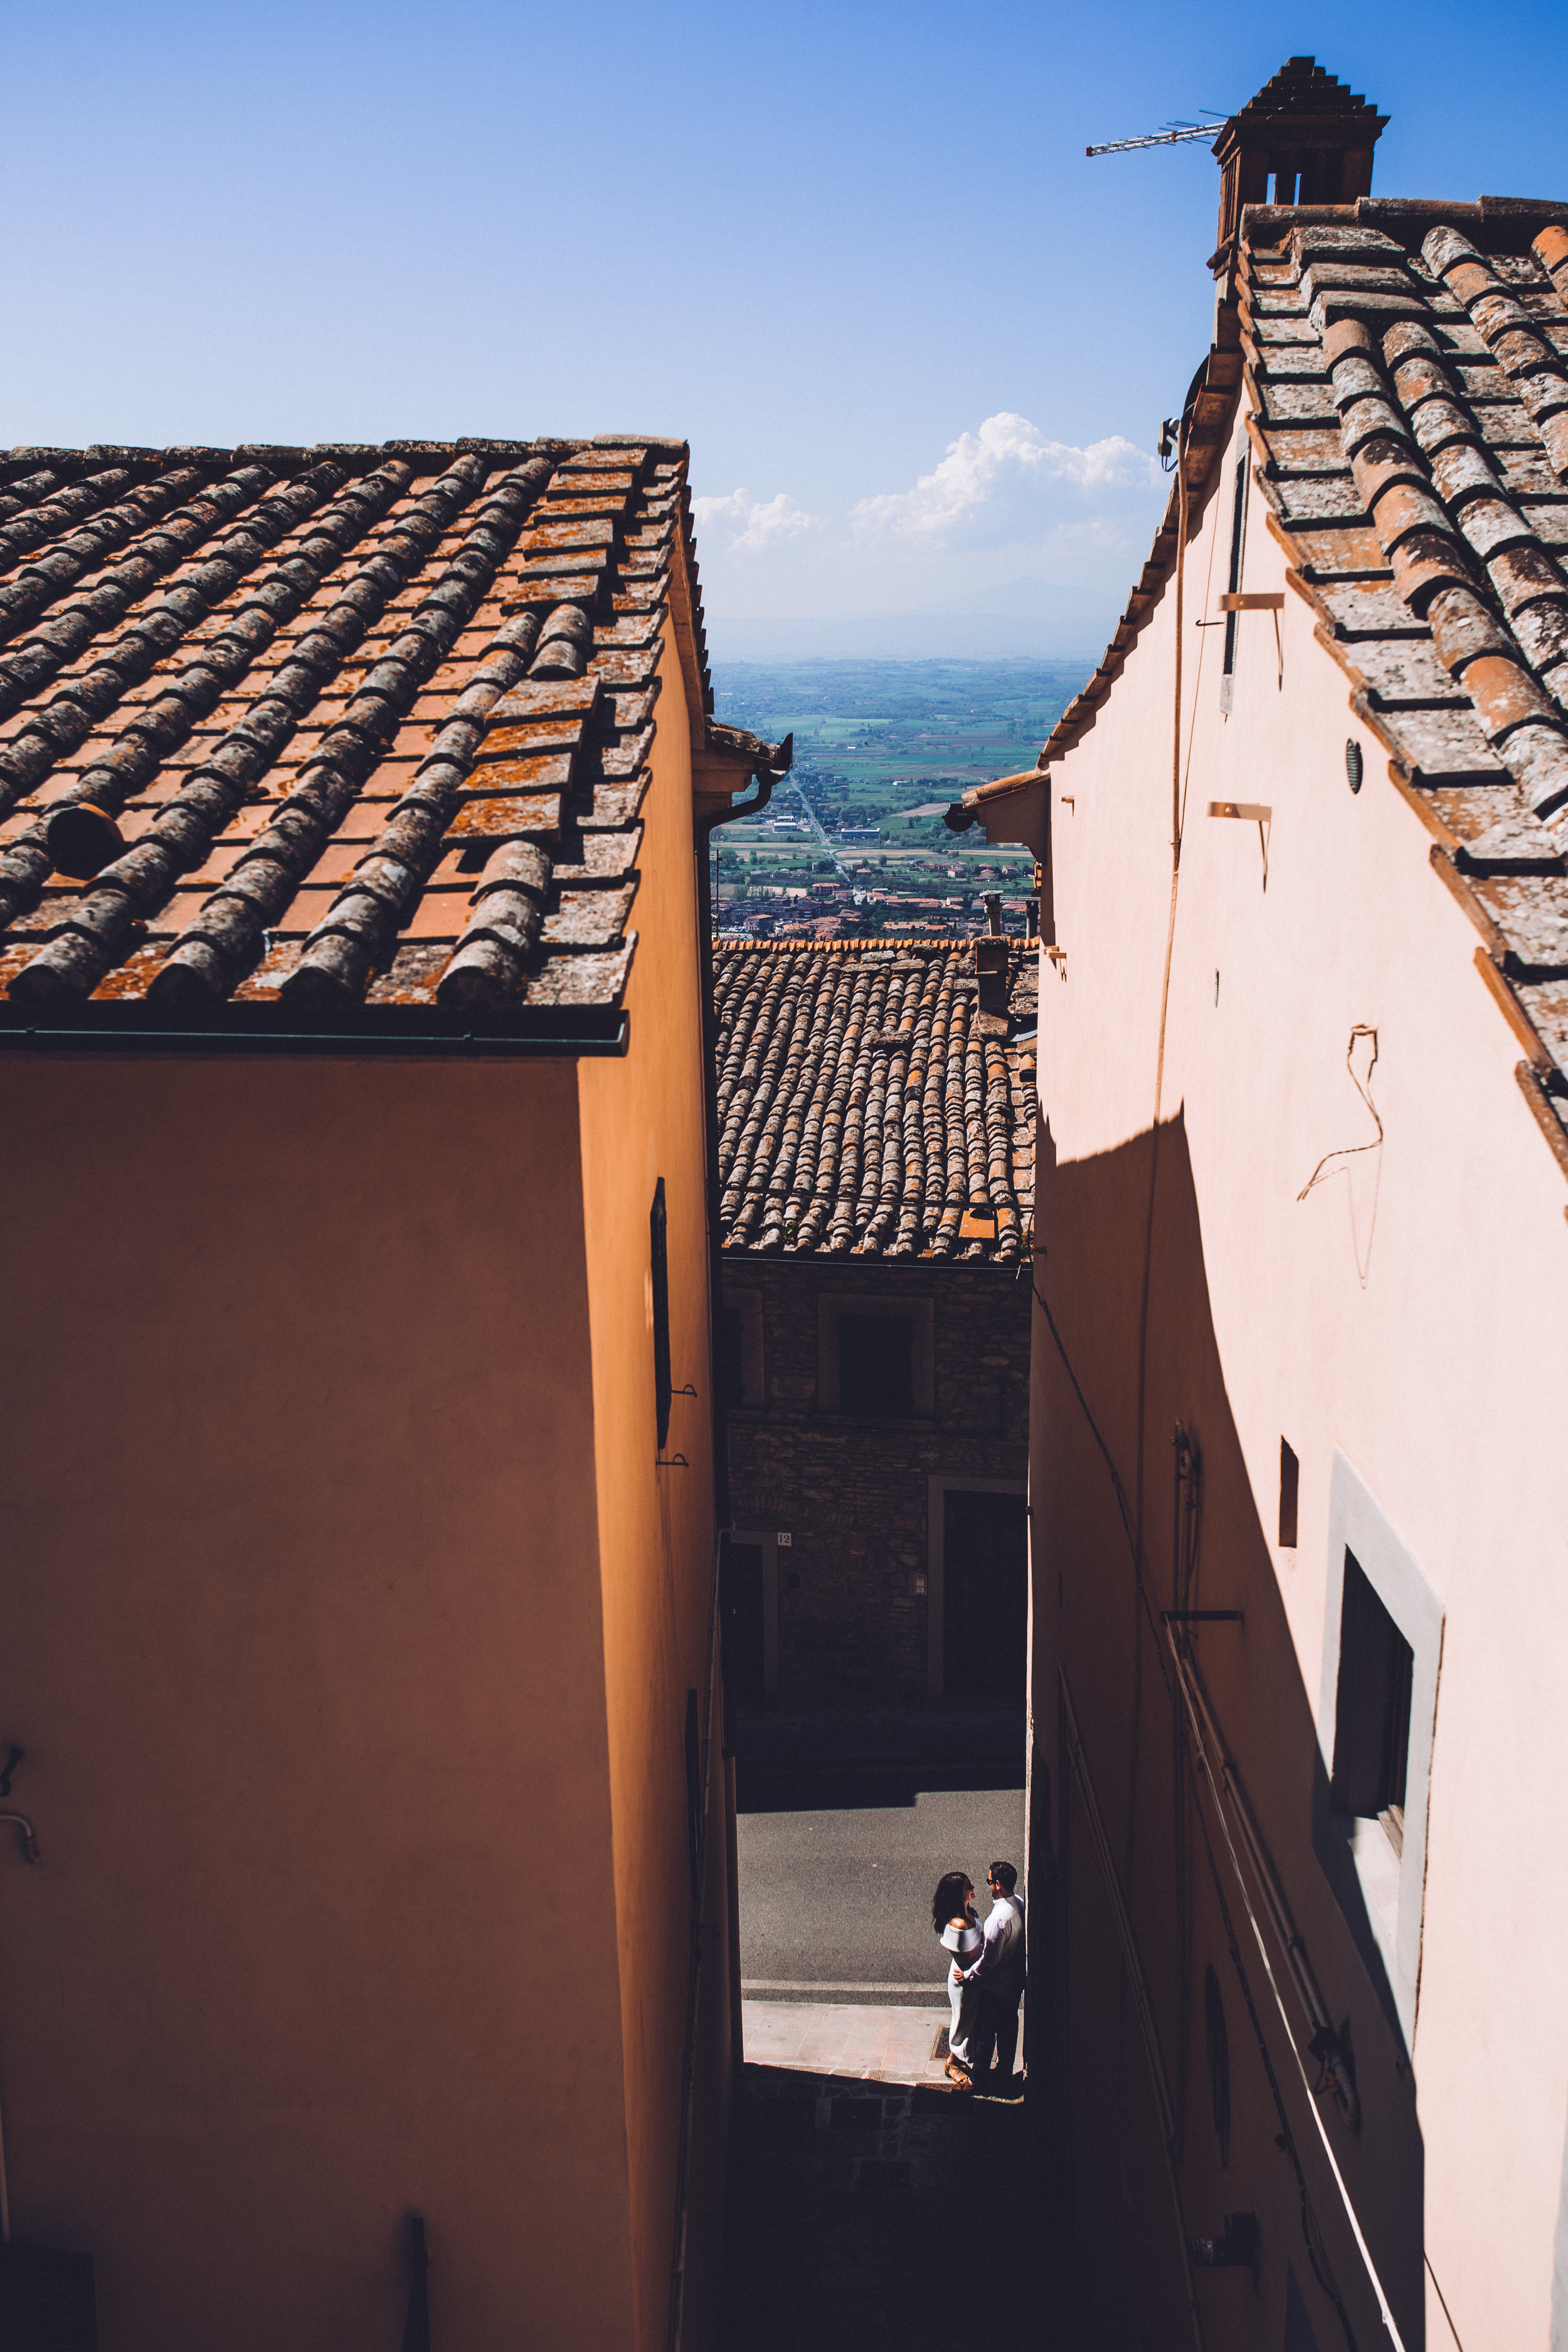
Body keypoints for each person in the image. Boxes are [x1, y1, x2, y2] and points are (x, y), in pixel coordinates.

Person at [961, 1860, 1026, 2092]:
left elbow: (988, 1962)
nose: (988, 1885)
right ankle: (1004, 2075)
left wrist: (968, 1975)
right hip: (1014, 1985)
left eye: (989, 1881)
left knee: (985, 2034)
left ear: (998, 1885)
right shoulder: (1019, 1904)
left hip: (996, 1987)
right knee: (1008, 2032)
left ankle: (977, 2080)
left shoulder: (998, 1920)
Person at [931, 1870, 983, 2091]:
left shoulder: (968, 1912)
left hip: (972, 1976)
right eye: (967, 1886)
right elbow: (969, 1959)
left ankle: (960, 2058)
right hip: (965, 1981)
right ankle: (953, 2063)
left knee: (969, 2021)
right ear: (957, 1894)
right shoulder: (959, 1925)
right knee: (963, 2022)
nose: (972, 1888)